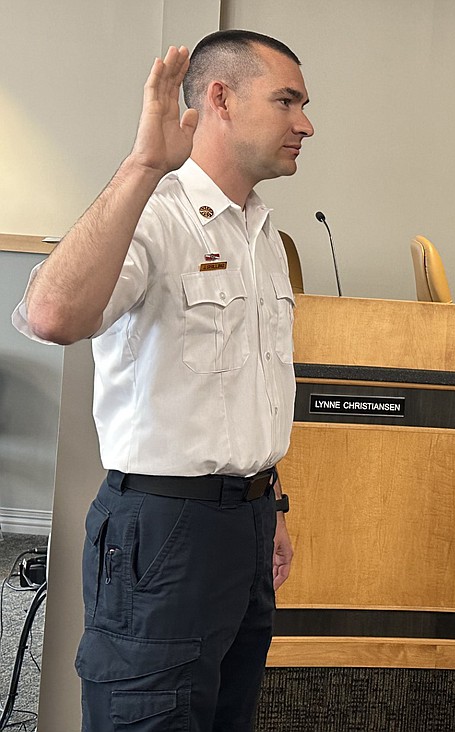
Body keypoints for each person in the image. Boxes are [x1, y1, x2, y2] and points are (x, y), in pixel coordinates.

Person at [12, 30, 313, 730]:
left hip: (248, 521)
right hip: (163, 528)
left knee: (222, 716)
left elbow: (250, 383)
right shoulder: (154, 213)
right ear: (220, 99)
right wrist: (145, 163)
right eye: (287, 100)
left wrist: (269, 501)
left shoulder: (261, 233)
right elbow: (51, 315)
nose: (305, 123)